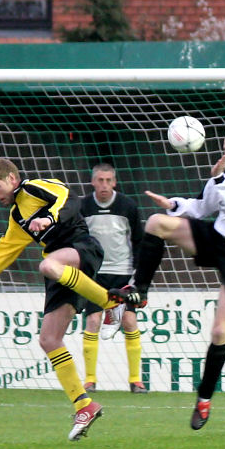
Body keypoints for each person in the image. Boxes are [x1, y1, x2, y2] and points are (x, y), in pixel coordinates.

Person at [109, 126, 225, 430]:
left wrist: (219, 178)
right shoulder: (224, 177)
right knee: (158, 222)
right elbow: (200, 208)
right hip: (218, 238)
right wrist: (173, 205)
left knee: (218, 330)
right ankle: (140, 290)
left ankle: (204, 400)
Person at [0, 158, 121, 441]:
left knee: (48, 266)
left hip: (81, 248)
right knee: (49, 339)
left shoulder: (35, 188)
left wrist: (49, 217)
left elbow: (68, 198)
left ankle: (112, 302)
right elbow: (4, 251)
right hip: (61, 268)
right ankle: (84, 405)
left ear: (13, 179)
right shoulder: (17, 217)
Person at [80, 163, 147, 394]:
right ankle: (90, 380)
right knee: (93, 322)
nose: (104, 185)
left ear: (115, 182)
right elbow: (76, 239)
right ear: (92, 182)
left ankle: (135, 380)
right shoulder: (83, 206)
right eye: (100, 180)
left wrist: (138, 275)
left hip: (122, 273)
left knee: (129, 321)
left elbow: (139, 240)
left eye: (108, 180)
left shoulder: (127, 206)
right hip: (95, 274)